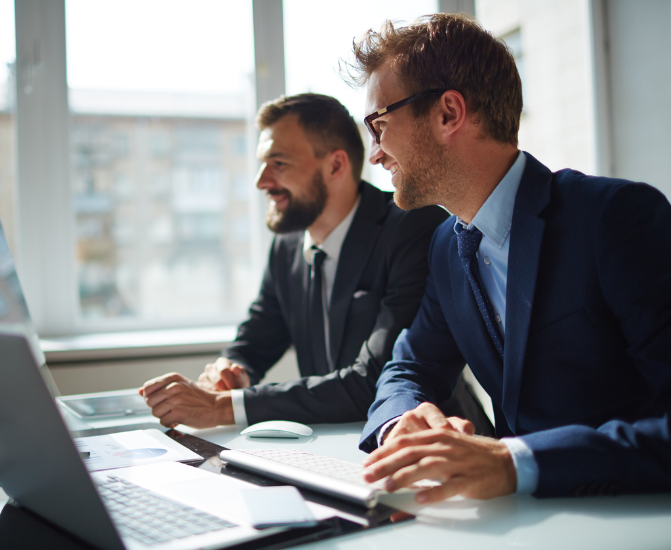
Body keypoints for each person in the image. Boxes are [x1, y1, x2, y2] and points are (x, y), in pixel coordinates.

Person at [344, 13, 671, 504]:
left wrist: (517, 461)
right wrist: (402, 422)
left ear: (449, 112)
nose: (375, 154)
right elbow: (408, 369)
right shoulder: (447, 247)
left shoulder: (614, 218)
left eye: (380, 125)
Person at [139, 93, 487, 430]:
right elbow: (259, 333)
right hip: (330, 445)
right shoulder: (287, 245)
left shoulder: (413, 228)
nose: (261, 182)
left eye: (279, 163)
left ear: (336, 164)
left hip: (437, 448)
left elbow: (375, 381)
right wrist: (232, 370)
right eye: (262, 164)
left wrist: (221, 408)